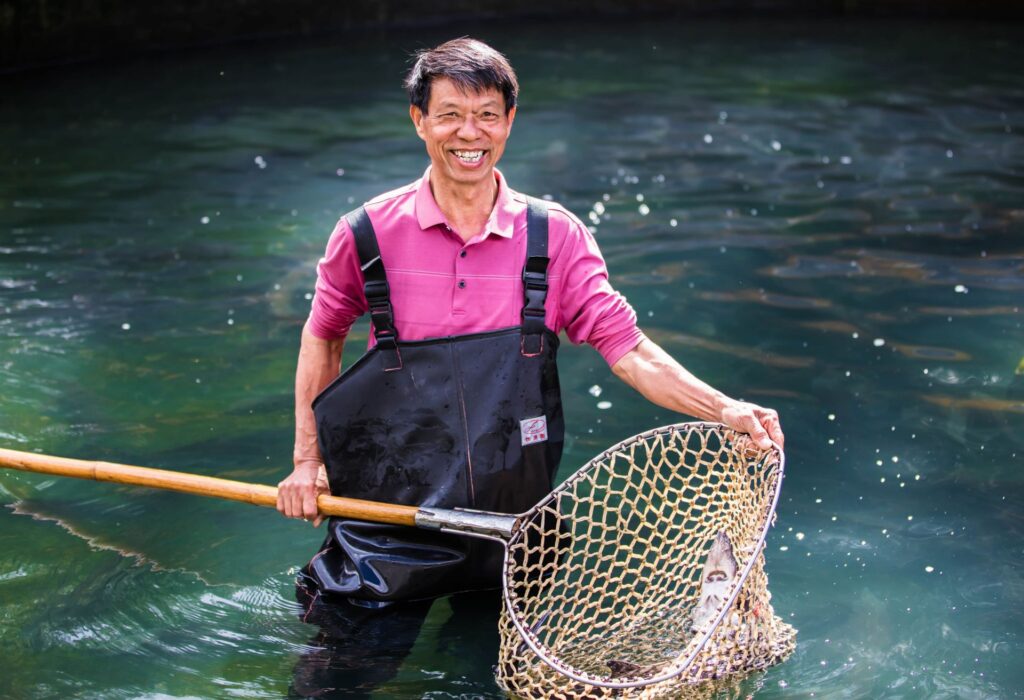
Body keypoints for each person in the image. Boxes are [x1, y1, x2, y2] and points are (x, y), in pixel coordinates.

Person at [277, 36, 784, 693]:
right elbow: (321, 338)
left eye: (488, 114)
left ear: (510, 122)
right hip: (388, 528)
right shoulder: (365, 234)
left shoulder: (555, 237)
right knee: (332, 684)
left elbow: (628, 350)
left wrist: (725, 409)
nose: (470, 133)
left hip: (512, 536)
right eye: (451, 113)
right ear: (419, 120)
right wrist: (307, 460)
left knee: (487, 684)